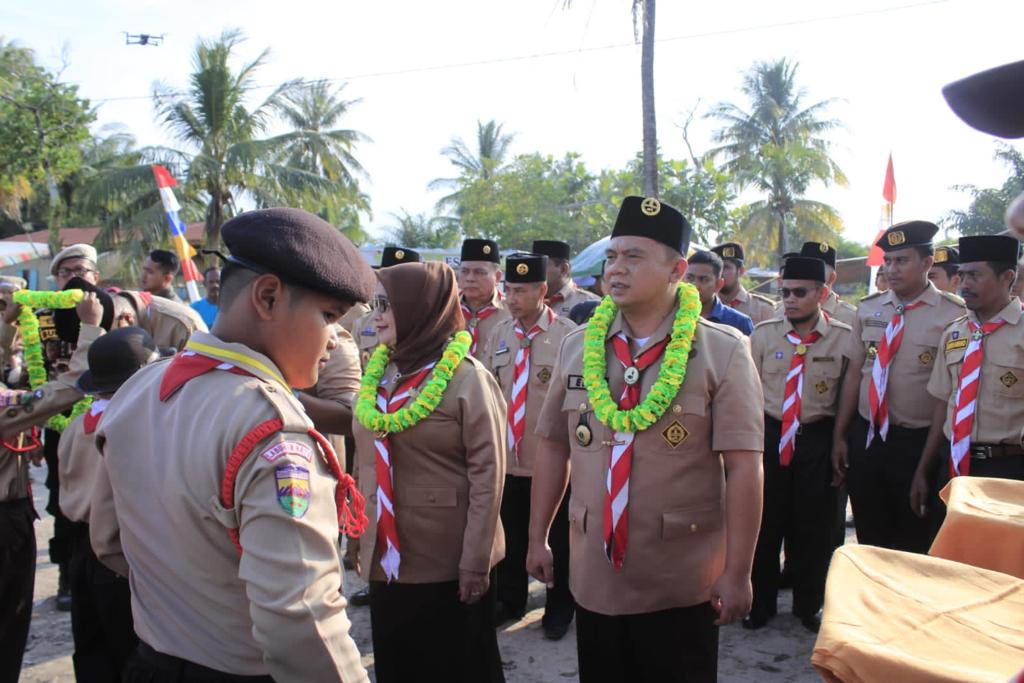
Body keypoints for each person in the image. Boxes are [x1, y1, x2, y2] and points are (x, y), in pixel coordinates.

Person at [91, 208, 371, 682]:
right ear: (267, 296)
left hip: (154, 660)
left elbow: (107, 540)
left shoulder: (138, 388)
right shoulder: (273, 429)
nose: (334, 342)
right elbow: (301, 617)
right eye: (328, 316)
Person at [527, 196, 764, 683]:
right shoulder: (578, 346)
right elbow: (554, 446)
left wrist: (738, 571)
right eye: (612, 257)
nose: (615, 269)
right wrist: (538, 537)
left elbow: (743, 467)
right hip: (594, 571)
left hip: (681, 575)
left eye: (633, 257)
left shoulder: (722, 351)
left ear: (677, 268)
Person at [350, 261, 506, 683]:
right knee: (399, 663)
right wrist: (358, 536)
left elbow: (488, 476)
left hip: (445, 563)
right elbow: (364, 460)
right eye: (375, 303)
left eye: (388, 305)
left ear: (421, 309)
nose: (377, 315)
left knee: (455, 666)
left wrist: (474, 562)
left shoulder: (467, 379)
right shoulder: (379, 371)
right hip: (386, 557)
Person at [831, 221, 965, 553]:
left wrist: (925, 463)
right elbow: (855, 376)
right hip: (868, 436)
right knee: (870, 535)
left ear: (927, 263)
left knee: (913, 540)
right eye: (887, 261)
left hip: (916, 441)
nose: (891, 269)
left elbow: (945, 397)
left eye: (901, 261)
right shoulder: (870, 308)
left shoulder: (953, 315)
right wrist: (841, 436)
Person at [746, 257, 852, 634]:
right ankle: (761, 604)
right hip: (770, 435)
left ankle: (809, 605)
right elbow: (748, 394)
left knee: (814, 526)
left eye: (800, 292)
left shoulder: (843, 336)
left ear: (822, 294)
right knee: (765, 523)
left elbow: (846, 397)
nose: (790, 300)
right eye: (784, 292)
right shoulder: (763, 334)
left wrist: (839, 441)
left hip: (817, 437)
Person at [59, 328, 167, 681]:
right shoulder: (127, 425)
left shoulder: (77, 426)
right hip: (116, 552)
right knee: (129, 650)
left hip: (79, 547)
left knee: (91, 649)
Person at [484, 253, 578, 639]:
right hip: (509, 460)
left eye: (521, 291)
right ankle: (510, 599)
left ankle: (558, 607)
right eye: (508, 289)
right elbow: (490, 391)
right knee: (512, 535)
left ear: (542, 291)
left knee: (558, 542)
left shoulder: (570, 336)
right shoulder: (500, 333)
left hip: (552, 464)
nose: (511, 297)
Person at [910, 234, 1024, 516]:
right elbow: (943, 405)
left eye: (975, 275)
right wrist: (923, 470)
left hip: (1006, 470)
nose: (964, 284)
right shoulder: (955, 332)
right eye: (961, 275)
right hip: (952, 465)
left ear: (1007, 277)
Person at [0, 395, 40, 681]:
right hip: (7, 520)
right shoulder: (6, 404)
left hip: (14, 515)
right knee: (10, 618)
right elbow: (57, 395)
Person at [458, 238, 510, 357]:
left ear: (497, 277)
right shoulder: (446, 309)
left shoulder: (512, 312)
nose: (470, 278)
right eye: (464, 271)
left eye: (479, 272)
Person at [685, 249, 754, 335]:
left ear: (718, 285)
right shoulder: (671, 314)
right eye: (689, 278)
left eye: (703, 279)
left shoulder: (739, 322)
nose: (694, 285)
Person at [532, 240, 600, 318]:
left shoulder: (591, 303)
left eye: (540, 266)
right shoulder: (527, 300)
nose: (534, 271)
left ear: (563, 269)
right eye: (533, 266)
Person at [711, 242, 775, 324]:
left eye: (725, 267)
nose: (720, 273)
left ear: (741, 271)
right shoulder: (704, 307)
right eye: (717, 268)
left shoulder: (763, 308)